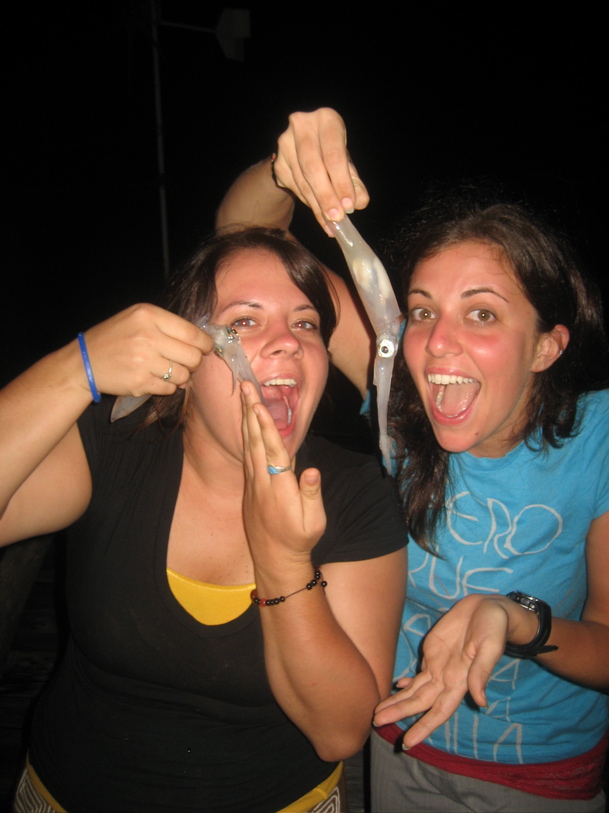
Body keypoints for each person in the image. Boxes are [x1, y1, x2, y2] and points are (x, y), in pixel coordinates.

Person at [216, 109, 609, 812]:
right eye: (423, 311)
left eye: (481, 313)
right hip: (395, 746)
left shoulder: (596, 438)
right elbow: (248, 240)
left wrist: (517, 618)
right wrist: (287, 168)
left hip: (540, 775)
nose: (438, 344)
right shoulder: (399, 394)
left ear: (547, 346)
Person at [0, 227, 408, 813]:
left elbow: (339, 732)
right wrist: (76, 367)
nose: (288, 342)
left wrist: (284, 561)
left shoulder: (355, 492)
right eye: (243, 322)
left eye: (306, 323)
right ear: (178, 359)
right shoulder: (114, 447)